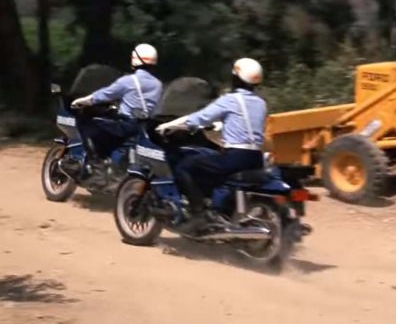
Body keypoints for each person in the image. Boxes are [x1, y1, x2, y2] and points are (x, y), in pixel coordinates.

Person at [156, 57, 267, 234]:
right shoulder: (261, 103)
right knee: (210, 166)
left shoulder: (230, 100)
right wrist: (220, 125)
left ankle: (198, 215)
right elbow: (243, 124)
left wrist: (170, 125)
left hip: (235, 157)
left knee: (185, 166)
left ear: (236, 78)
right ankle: (217, 210)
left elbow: (199, 118)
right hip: (255, 158)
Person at [71, 44, 163, 173]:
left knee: (86, 122)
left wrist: (83, 101)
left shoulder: (128, 80)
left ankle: (95, 160)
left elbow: (105, 94)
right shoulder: (158, 84)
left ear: (135, 59)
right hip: (145, 126)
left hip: (125, 125)